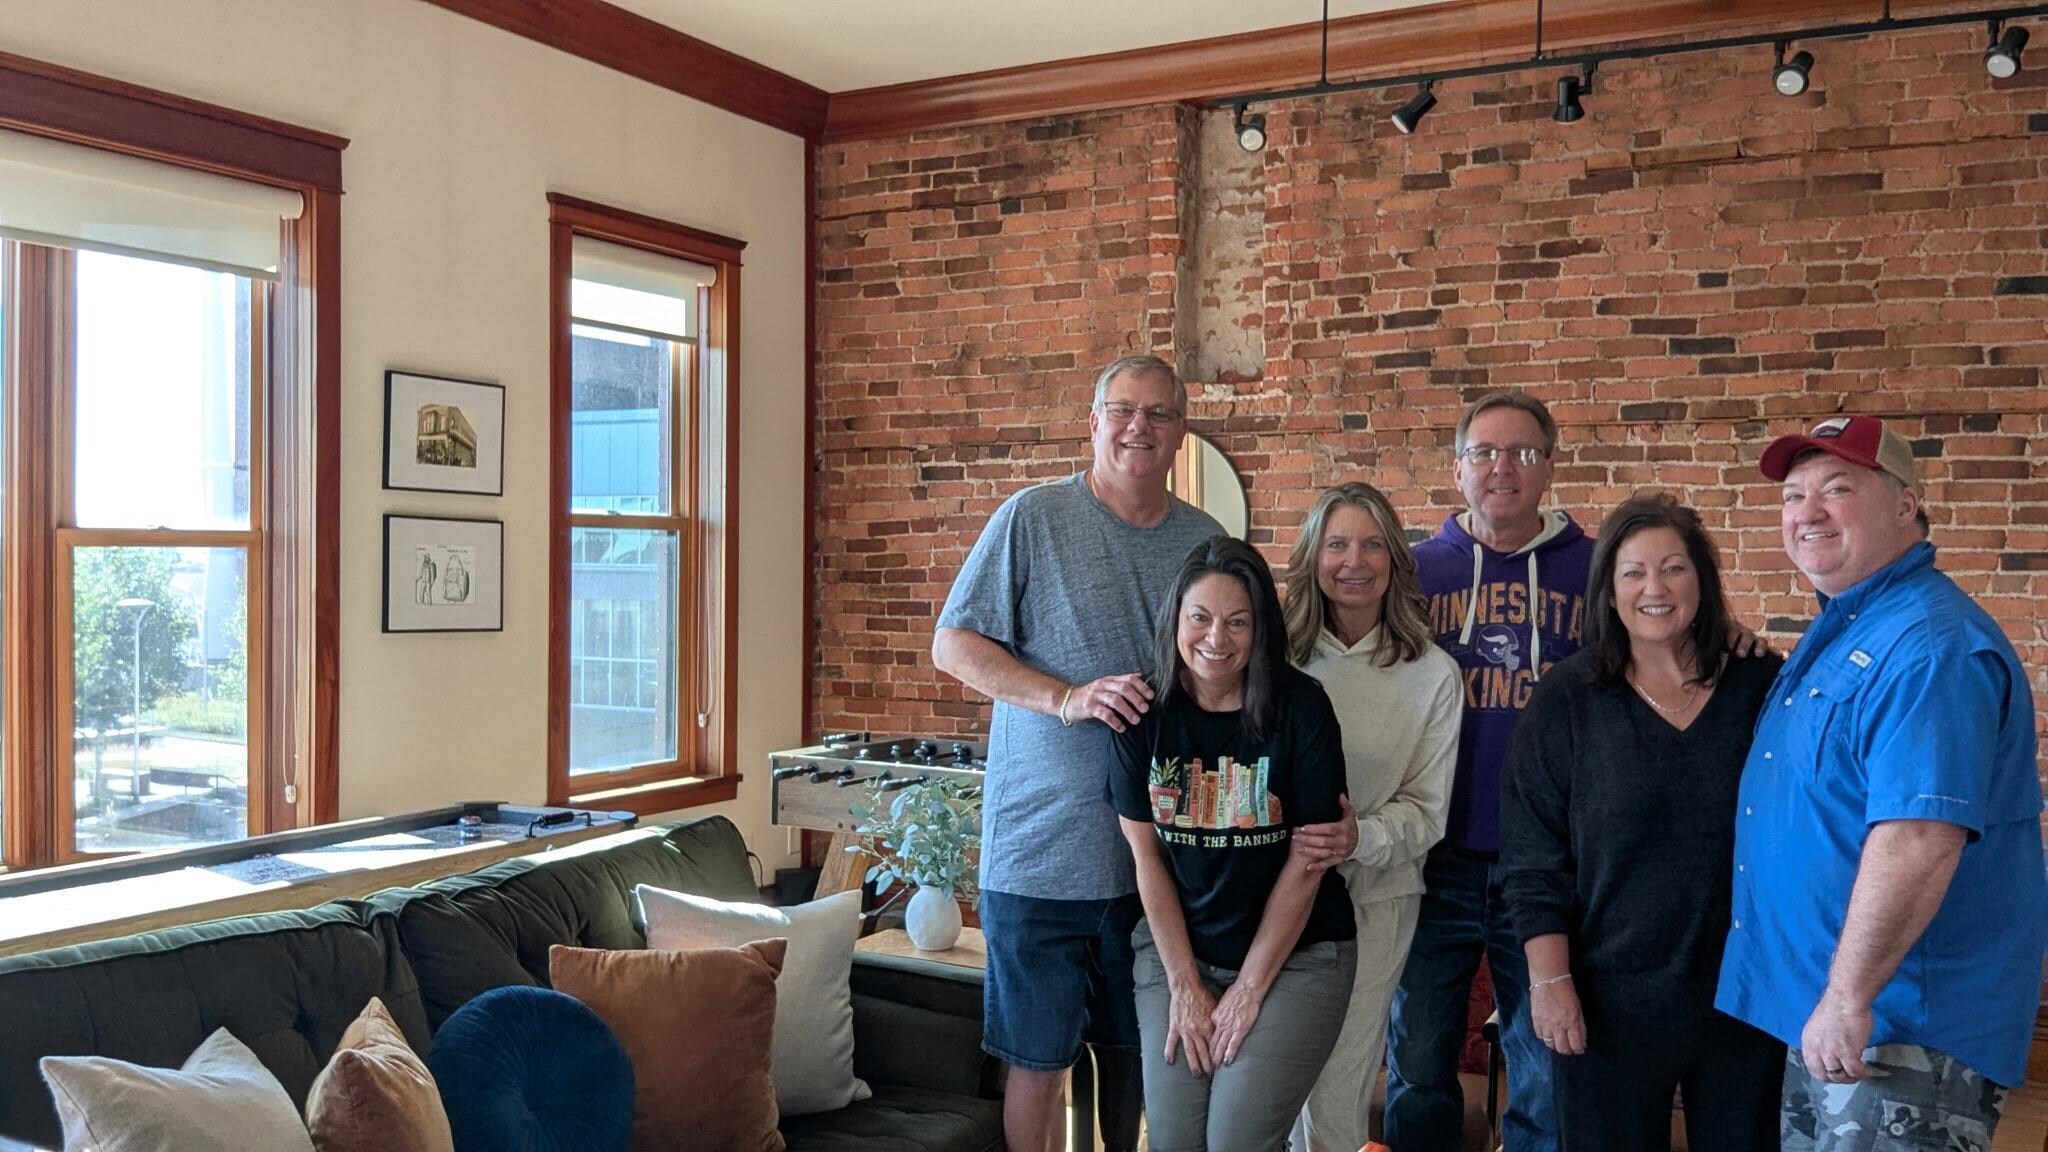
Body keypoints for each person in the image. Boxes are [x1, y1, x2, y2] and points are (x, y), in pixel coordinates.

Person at [932, 355, 1358, 1152]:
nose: (1140, 427)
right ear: (1093, 422)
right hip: (1042, 853)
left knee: (1139, 1063)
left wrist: (1320, 815)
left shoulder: (1204, 540)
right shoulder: (1033, 517)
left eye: (1159, 413)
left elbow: (1258, 687)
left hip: (1169, 865)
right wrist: (1064, 699)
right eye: (1123, 410)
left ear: (1181, 430)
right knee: (1038, 1061)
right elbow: (952, 644)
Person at [1717, 415, 2047, 1152]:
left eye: (1837, 488)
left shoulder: (1929, 646)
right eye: (1793, 495)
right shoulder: (1853, 624)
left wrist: (1847, 997)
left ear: (1905, 505)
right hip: (1840, 1011)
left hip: (1899, 1026)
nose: (1807, 511)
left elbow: (1920, 836)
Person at [1500, 494, 1785, 1152]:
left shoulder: (1760, 684)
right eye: (1633, 572)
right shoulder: (1568, 699)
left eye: (1674, 568)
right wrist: (1549, 982)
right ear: (1608, 590)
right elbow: (1531, 858)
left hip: (1744, 994)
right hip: (1606, 1002)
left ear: (1702, 582)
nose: (1654, 589)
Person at [1384, 390, 1590, 1152]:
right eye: (1485, 452)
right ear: (1459, 467)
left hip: (1544, 862)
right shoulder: (1412, 572)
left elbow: (1667, 626)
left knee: (1542, 1066)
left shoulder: (1596, 570)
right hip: (1431, 854)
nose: (1502, 467)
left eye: (1523, 453)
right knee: (1417, 1058)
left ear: (1550, 466)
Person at [1107, 535, 1359, 1152]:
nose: (1216, 638)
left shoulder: (1302, 707)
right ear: (1175, 619)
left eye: (1237, 622)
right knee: (1174, 1142)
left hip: (1297, 955)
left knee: (1235, 1142)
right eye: (1200, 617)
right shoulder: (1141, 713)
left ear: (1260, 628)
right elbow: (1147, 860)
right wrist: (1185, 985)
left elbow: (1308, 861)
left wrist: (1247, 990)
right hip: (1178, 952)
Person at [1282, 483, 1461, 1152]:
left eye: (1371, 545)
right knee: (1268, 1085)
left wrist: (1359, 837)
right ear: (1313, 556)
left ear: (1395, 560)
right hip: (1269, 901)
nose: (1353, 561)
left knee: (1335, 1090)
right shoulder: (1276, 657)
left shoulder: (1432, 674)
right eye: (1337, 544)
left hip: (1374, 903)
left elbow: (1427, 810)